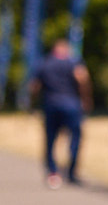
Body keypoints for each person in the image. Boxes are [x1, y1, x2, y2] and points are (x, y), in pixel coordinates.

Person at [31, 40, 91, 187]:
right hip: (71, 105)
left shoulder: (45, 63)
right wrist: (86, 99)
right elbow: (82, 79)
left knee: (50, 140)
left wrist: (32, 104)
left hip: (51, 105)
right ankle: (71, 173)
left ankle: (53, 172)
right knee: (75, 138)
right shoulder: (73, 62)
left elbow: (34, 87)